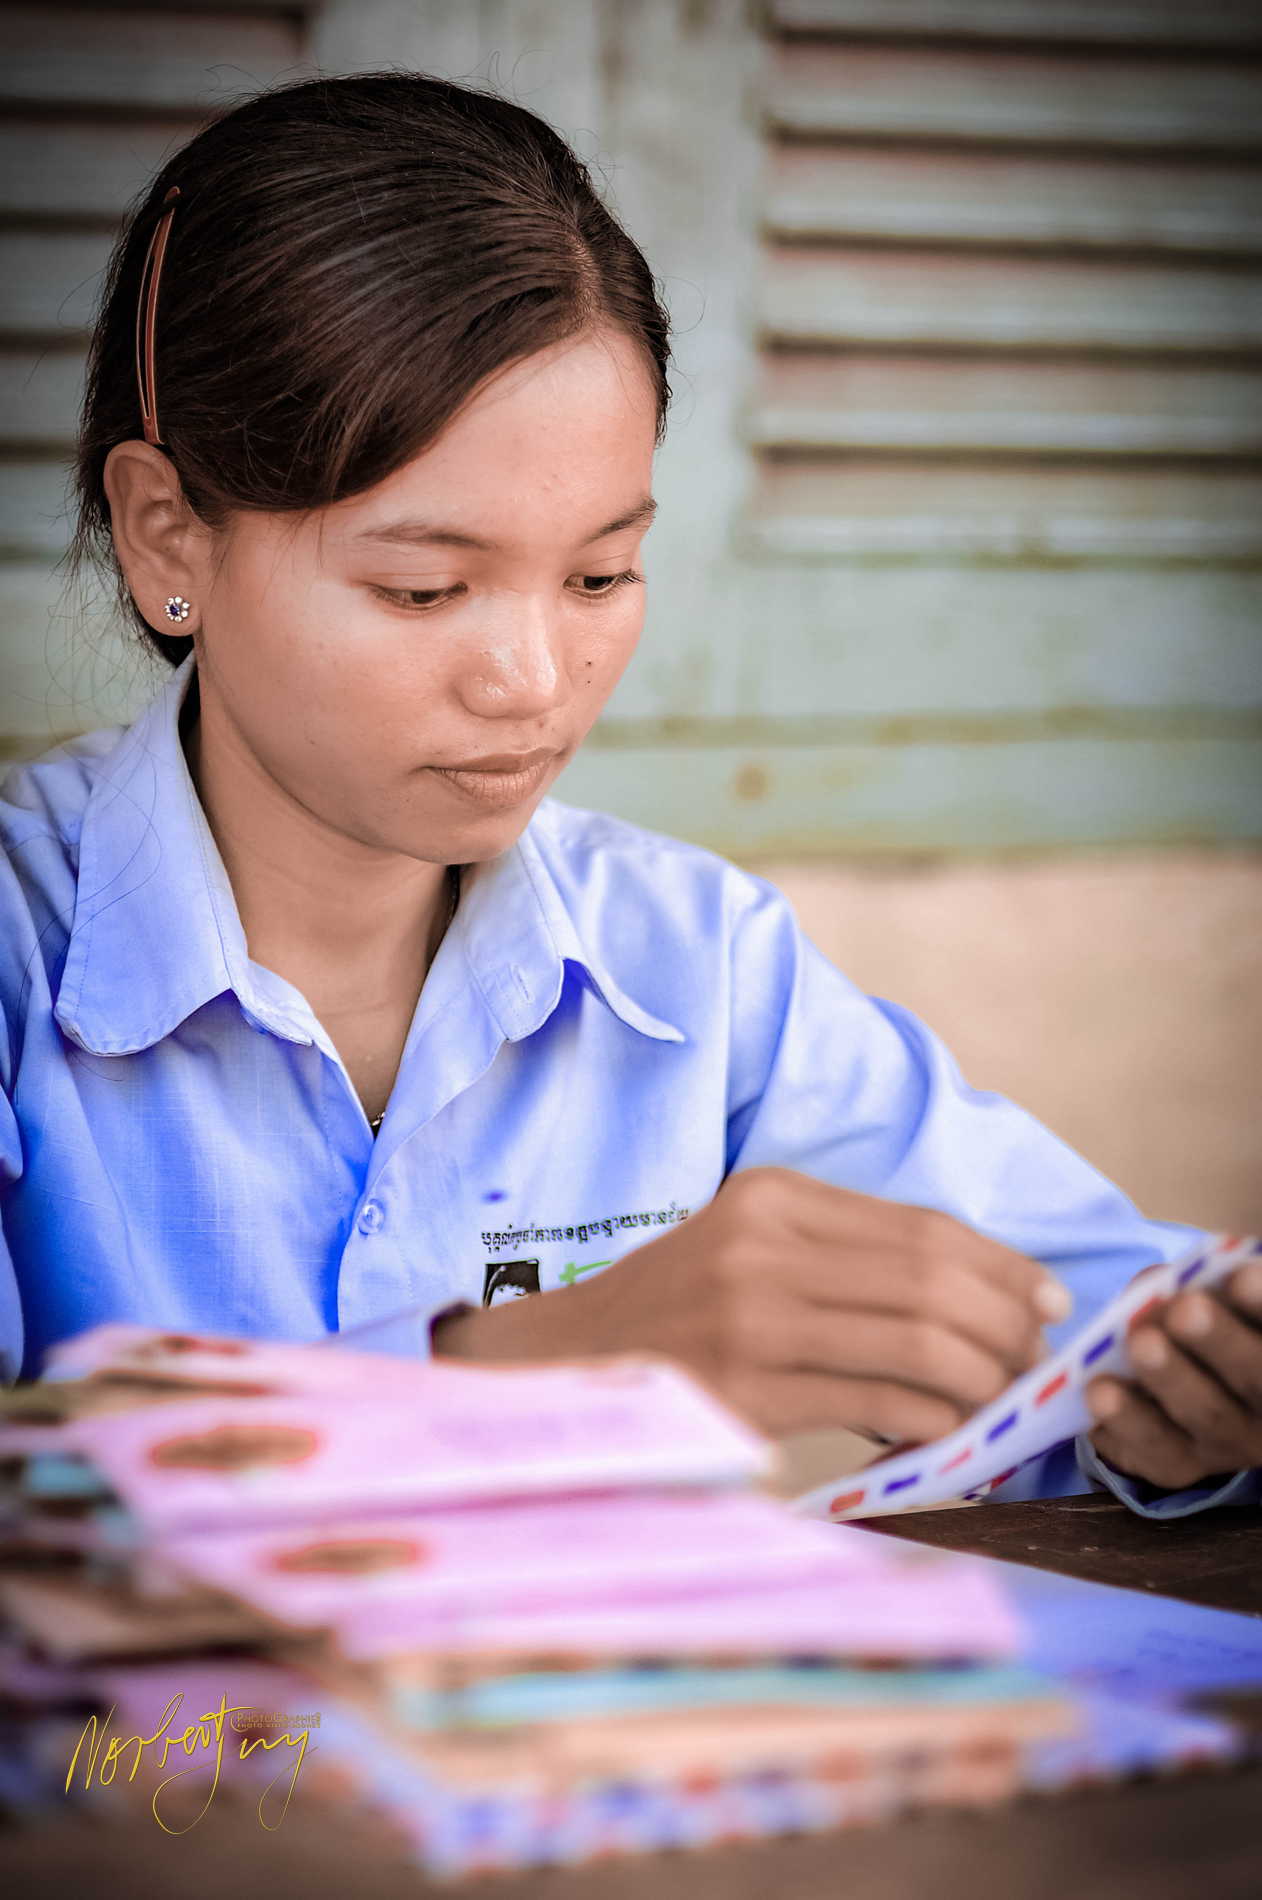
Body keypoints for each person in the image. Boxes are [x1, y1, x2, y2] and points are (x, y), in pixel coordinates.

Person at [1, 72, 1258, 1521]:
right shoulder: (24, 952)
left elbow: (1102, 1335)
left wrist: (1175, 1401)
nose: (534, 678)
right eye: (424, 587)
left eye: (600, 574)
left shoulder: (696, 967)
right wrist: (522, 1373)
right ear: (171, 530)